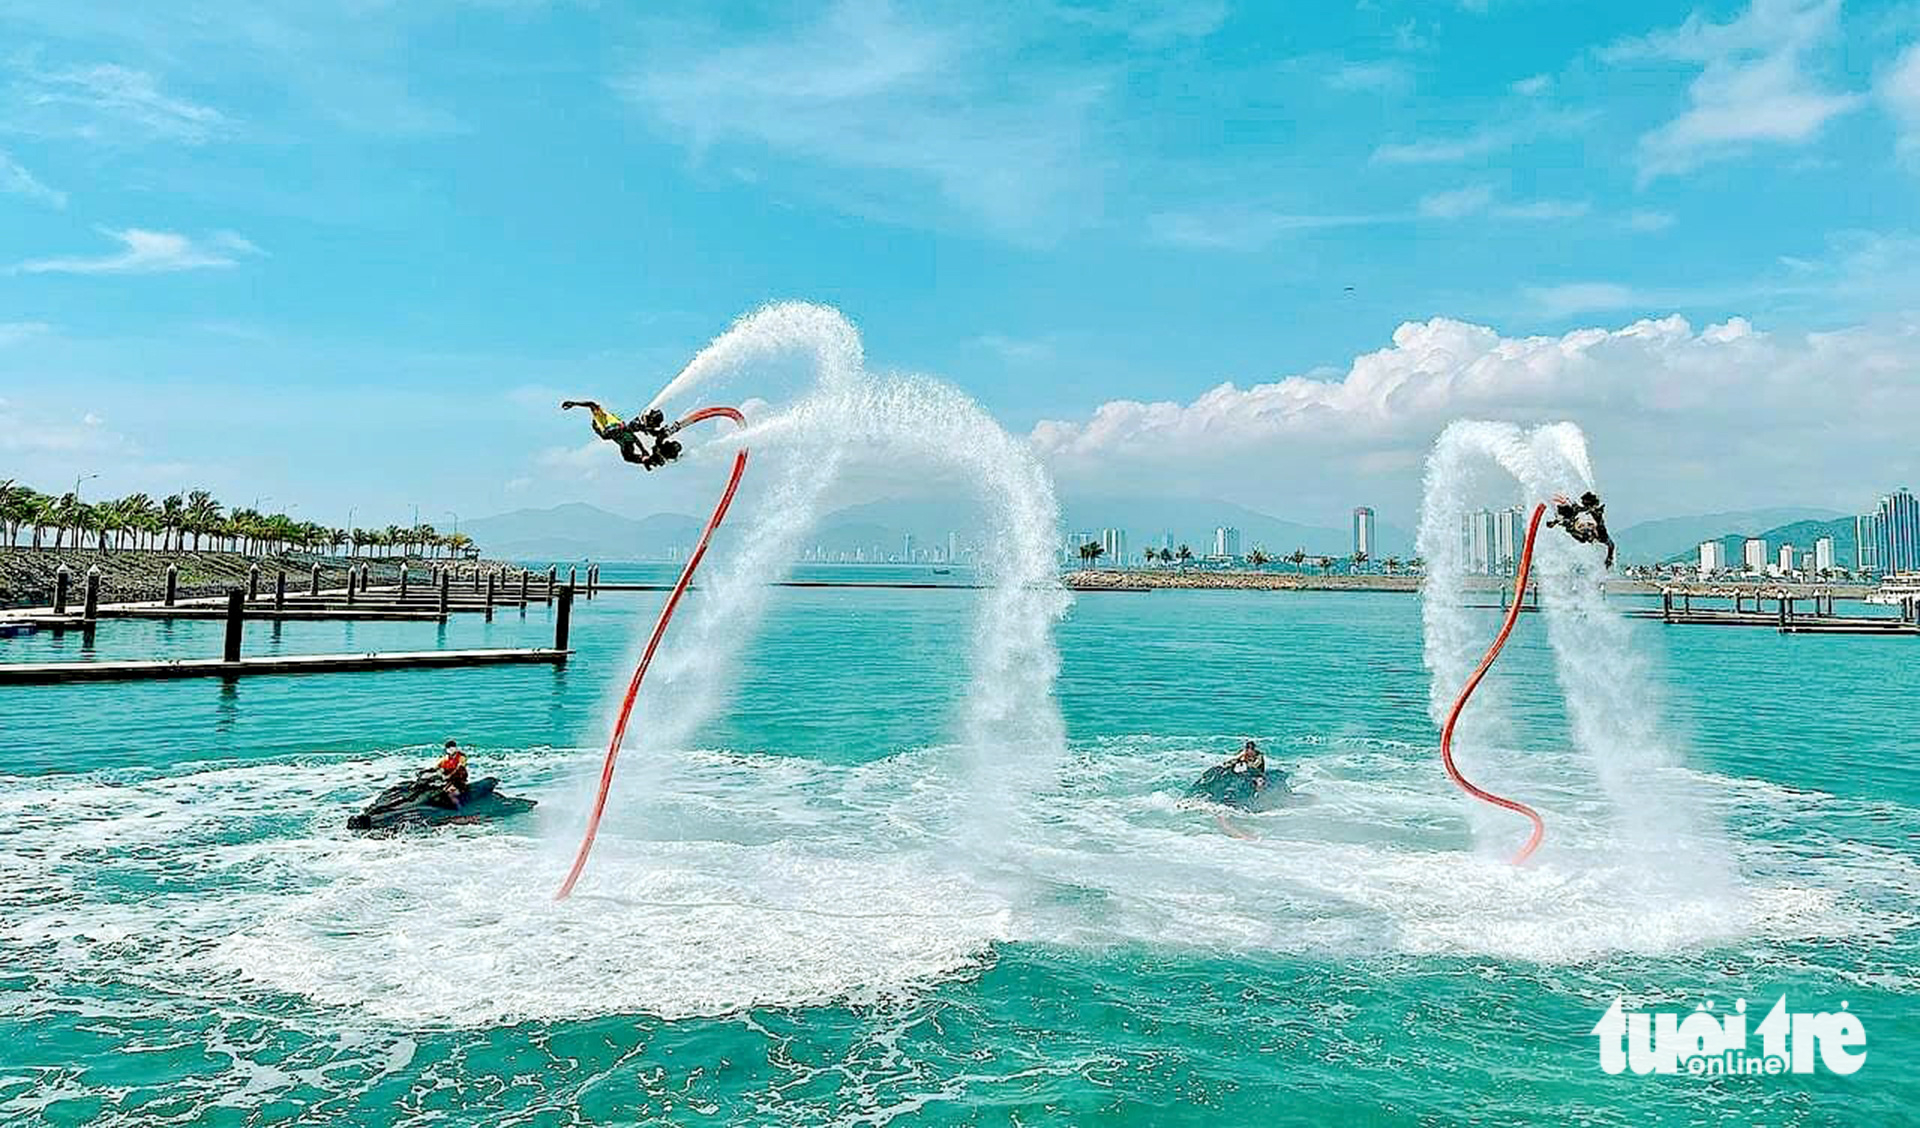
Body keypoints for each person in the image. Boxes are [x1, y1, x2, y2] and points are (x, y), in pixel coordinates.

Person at [561, 400, 683, 470]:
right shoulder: (610, 434)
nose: (595, 428)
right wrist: (644, 455)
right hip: (624, 435)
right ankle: (654, 453)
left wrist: (574, 403)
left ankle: (653, 443)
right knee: (628, 456)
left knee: (612, 435)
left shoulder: (600, 416)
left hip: (621, 429)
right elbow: (631, 437)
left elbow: (592, 404)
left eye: (595, 427)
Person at [1548, 491, 1616, 568]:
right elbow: (1611, 545)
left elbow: (1611, 545)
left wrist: (1609, 558)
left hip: (1584, 527)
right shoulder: (1597, 530)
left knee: (1581, 536)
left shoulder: (1600, 535)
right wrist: (1554, 522)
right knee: (1580, 529)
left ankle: (1567, 521)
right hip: (1585, 523)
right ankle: (1565, 517)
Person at [431, 739, 470, 808]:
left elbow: (459, 767)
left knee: (451, 794)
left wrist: (449, 775)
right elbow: (436, 767)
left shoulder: (461, 757)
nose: (451, 750)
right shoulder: (444, 759)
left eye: (453, 748)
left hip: (458, 781)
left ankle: (459, 809)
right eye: (449, 748)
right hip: (447, 780)